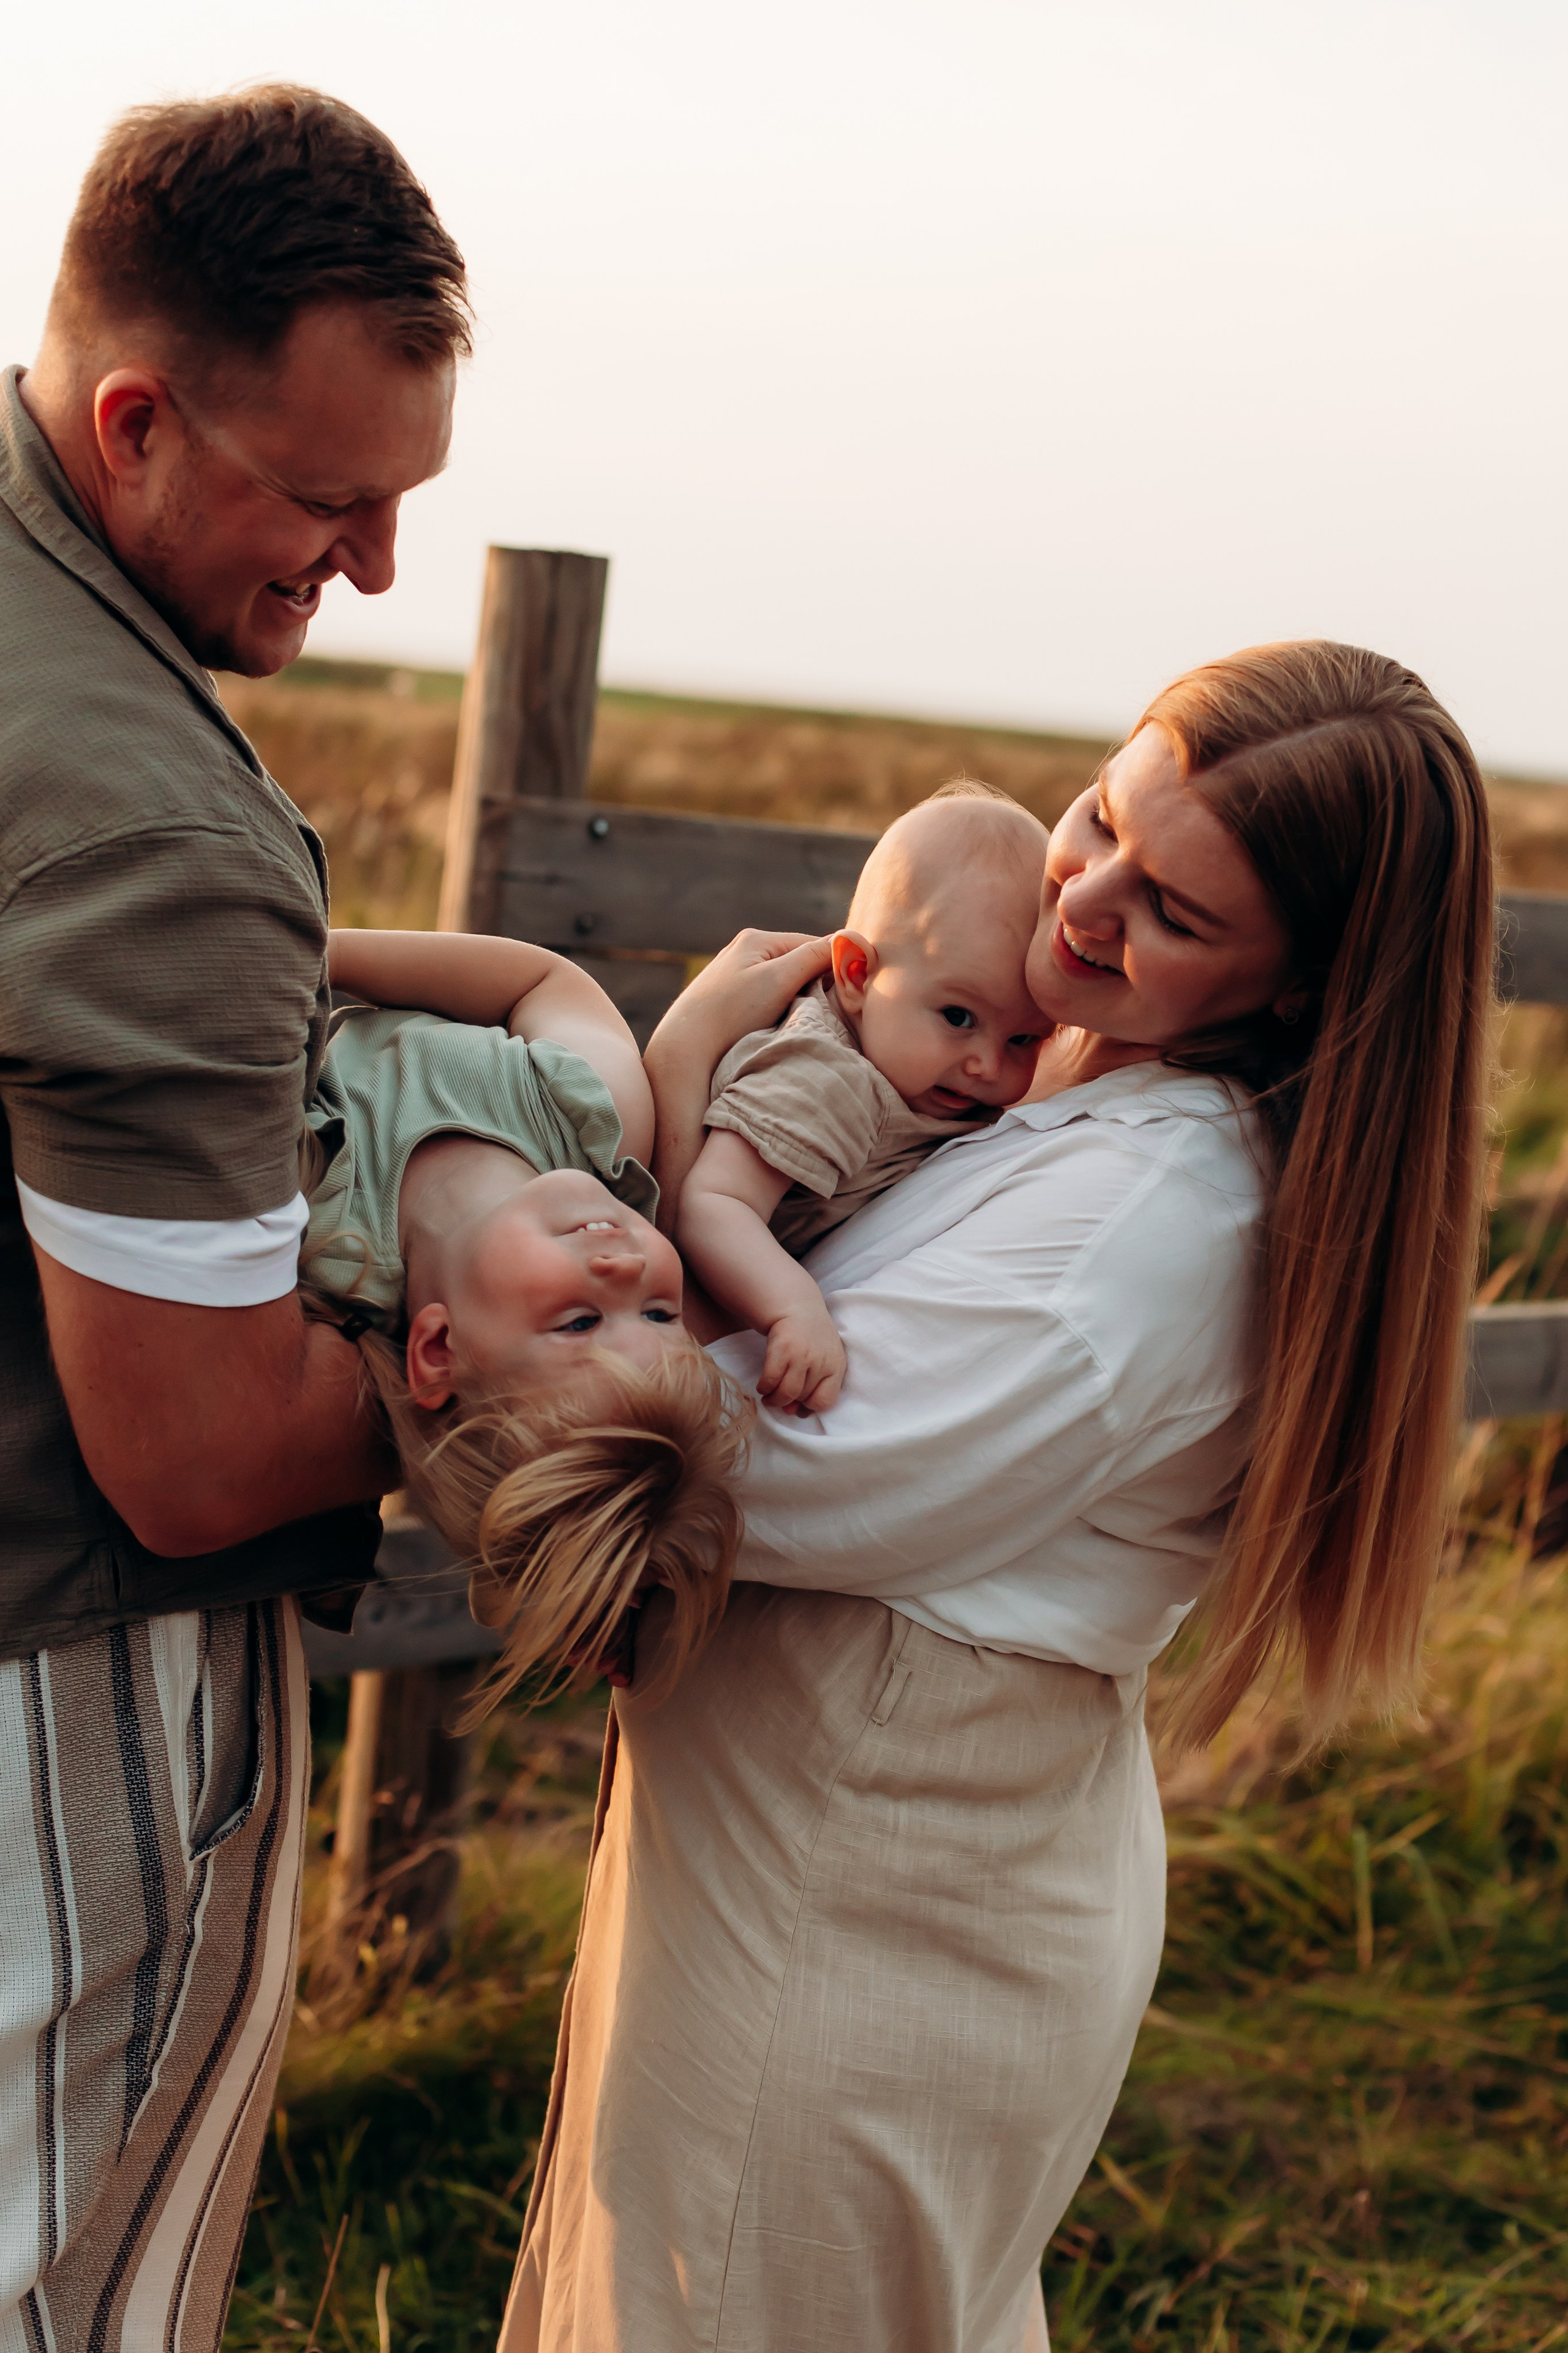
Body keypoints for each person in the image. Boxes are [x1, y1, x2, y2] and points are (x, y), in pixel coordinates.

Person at [500, 640, 1494, 2353]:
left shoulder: (1140, 1231)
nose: (1083, 898)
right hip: (856, 1854)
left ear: (1305, 993)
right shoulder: (1072, 1089)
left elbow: (691, 1464)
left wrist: (647, 1095)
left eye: (1170, 910)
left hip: (869, 1888)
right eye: (1101, 814)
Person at [0, 88, 466, 2347]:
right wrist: (487, 1349)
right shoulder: (148, 819)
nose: (372, 565)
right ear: (136, 421)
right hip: (57, 1705)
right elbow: (186, 1449)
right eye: (327, 497)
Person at [306, 928, 747, 1708]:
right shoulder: (593, 1120)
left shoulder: (323, 1232)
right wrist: (318, 953)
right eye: (658, 1310)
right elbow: (539, 981)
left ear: (437, 1350)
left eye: (580, 1322)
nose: (627, 1266)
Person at [682, 784, 1049, 1413]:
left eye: (1023, 1037)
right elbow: (713, 1203)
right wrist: (793, 1308)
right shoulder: (832, 1078)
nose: (987, 1064)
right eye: (958, 1015)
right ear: (857, 974)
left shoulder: (919, 1069)